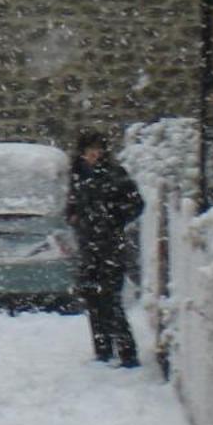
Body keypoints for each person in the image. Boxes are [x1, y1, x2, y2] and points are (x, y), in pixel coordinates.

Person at [65, 129, 145, 368]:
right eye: (90, 150)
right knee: (92, 297)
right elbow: (72, 204)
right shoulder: (77, 175)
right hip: (88, 246)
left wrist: (113, 217)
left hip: (110, 246)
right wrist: (74, 216)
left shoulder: (115, 175)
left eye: (98, 150)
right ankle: (102, 350)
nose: (94, 154)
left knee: (111, 298)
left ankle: (127, 353)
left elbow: (136, 204)